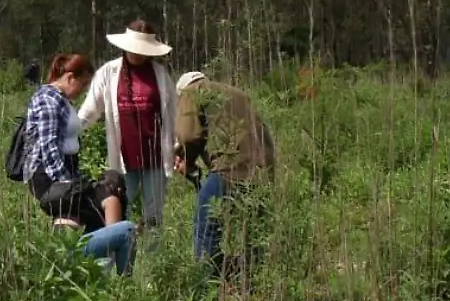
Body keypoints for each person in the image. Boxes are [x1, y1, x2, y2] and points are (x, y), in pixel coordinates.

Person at [21, 53, 138, 276]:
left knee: (111, 188)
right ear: (69, 77)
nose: (84, 90)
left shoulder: (61, 100)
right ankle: (108, 267)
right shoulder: (48, 99)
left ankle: (99, 269)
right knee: (110, 196)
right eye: (83, 84)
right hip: (52, 182)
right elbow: (49, 147)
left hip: (64, 177)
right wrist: (69, 186)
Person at [76, 20, 177, 231]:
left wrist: (178, 148)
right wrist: (68, 132)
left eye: (142, 50)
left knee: (154, 214)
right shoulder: (109, 72)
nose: (137, 54)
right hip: (123, 157)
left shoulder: (160, 75)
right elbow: (90, 110)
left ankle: (152, 258)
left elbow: (172, 114)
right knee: (119, 210)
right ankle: (121, 256)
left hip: (155, 156)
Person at [174, 70, 277, 274]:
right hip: (263, 169)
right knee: (255, 233)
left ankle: (208, 283)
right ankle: (253, 278)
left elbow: (188, 135)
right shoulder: (236, 93)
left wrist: (184, 157)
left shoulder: (192, 91)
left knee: (205, 227)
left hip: (232, 168)